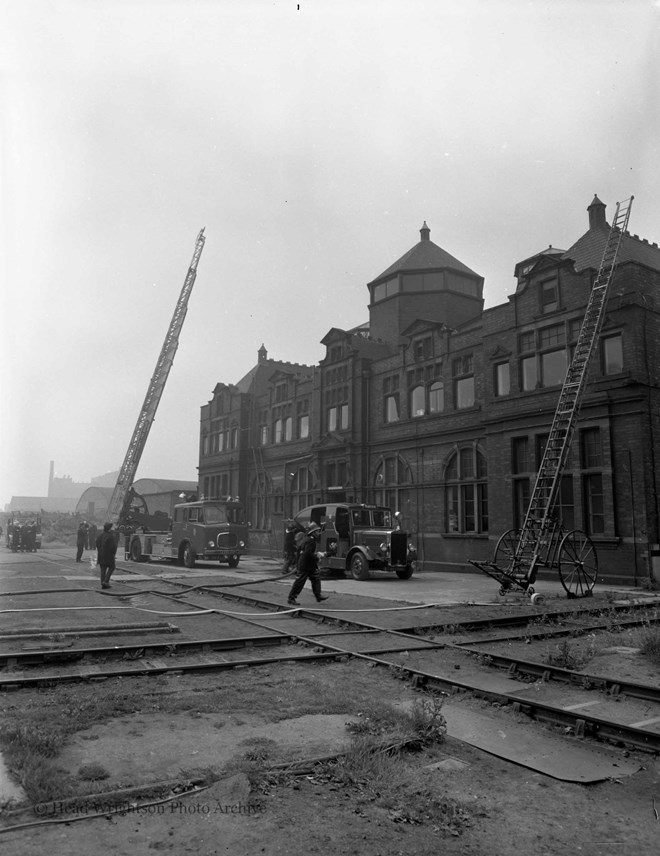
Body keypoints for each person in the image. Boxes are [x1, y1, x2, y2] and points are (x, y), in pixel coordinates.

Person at [287, 522, 329, 606]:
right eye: (317, 531)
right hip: (305, 565)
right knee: (300, 581)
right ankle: (291, 598)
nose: (318, 533)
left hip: (309, 565)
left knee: (316, 578)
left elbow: (302, 551)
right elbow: (307, 554)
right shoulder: (311, 541)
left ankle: (318, 596)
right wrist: (317, 557)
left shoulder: (308, 539)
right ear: (313, 532)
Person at [96, 522, 117, 589]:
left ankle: (103, 583)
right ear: (109, 528)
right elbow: (113, 547)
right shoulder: (110, 536)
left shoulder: (100, 535)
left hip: (100, 554)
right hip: (109, 555)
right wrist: (113, 553)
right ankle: (106, 581)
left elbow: (97, 544)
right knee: (112, 567)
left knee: (103, 569)